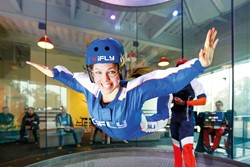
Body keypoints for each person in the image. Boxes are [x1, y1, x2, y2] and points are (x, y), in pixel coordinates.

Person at [26, 27, 219, 141]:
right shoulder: (91, 87)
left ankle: (167, 100)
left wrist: (199, 65)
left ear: (120, 71)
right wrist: (54, 73)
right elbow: (69, 78)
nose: (105, 80)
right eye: (98, 73)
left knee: (164, 109)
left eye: (111, 72)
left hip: (139, 127)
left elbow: (169, 79)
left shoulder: (134, 91)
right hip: (113, 130)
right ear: (91, 73)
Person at [170, 58, 207, 167]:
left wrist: (185, 102)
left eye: (183, 67)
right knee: (176, 150)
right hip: (174, 119)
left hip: (186, 120)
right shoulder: (173, 83)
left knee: (187, 150)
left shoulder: (194, 82)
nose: (181, 69)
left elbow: (203, 100)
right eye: (179, 67)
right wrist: (173, 100)